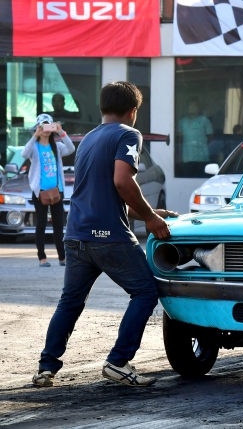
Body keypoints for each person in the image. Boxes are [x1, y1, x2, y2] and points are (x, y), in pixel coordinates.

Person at [32, 82, 177, 388]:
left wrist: (151, 212)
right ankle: (118, 362)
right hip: (108, 236)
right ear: (133, 110)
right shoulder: (128, 134)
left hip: (76, 235)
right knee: (146, 292)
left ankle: (46, 368)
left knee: (69, 302)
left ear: (102, 107)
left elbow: (108, 194)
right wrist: (151, 218)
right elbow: (123, 181)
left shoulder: (88, 140)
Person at [21, 114, 75, 267]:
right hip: (40, 191)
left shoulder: (57, 146)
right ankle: (42, 257)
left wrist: (61, 132)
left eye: (48, 126)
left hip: (57, 190)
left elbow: (71, 148)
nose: (45, 129)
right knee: (41, 224)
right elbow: (24, 154)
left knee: (59, 224)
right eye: (42, 126)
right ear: (37, 127)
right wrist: (35, 136)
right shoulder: (35, 147)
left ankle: (62, 257)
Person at [178, 98, 213, 176]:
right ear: (187, 108)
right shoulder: (182, 122)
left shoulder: (205, 121)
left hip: (202, 159)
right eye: (190, 105)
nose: (192, 107)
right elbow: (180, 141)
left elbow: (211, 140)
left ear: (199, 107)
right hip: (187, 159)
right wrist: (179, 158)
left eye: (195, 105)